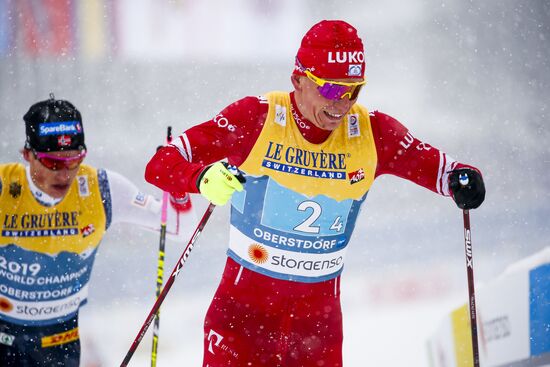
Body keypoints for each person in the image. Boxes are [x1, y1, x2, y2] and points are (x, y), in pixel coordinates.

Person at [145, 20, 486, 367]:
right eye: (333, 90)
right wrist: (202, 178)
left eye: (354, 91)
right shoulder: (256, 117)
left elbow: (445, 172)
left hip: (316, 333)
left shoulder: (373, 132)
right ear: (298, 80)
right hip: (241, 324)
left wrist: (462, 179)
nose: (343, 105)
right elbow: (161, 163)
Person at [0, 94, 194, 366]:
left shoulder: (100, 188)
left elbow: (179, 227)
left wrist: (176, 181)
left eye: (74, 159)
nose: (65, 174)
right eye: (54, 163)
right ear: (28, 156)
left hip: (60, 343)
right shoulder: (5, 188)